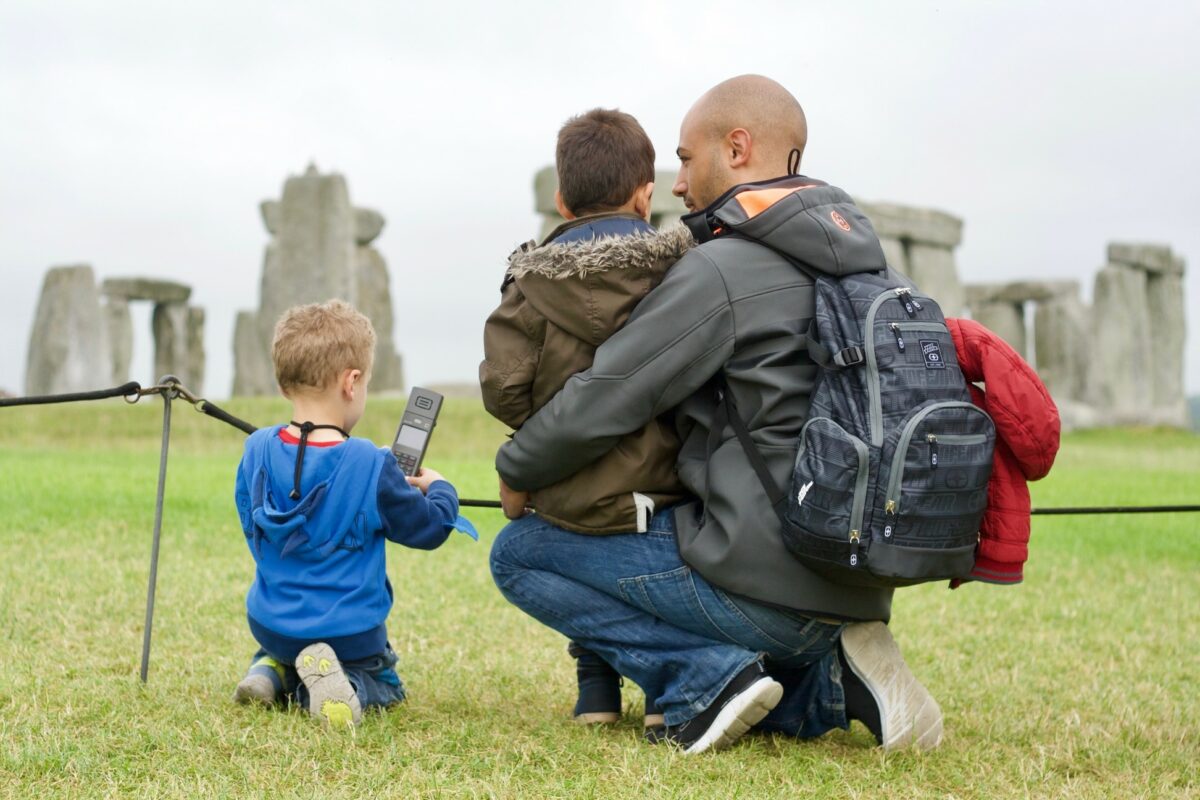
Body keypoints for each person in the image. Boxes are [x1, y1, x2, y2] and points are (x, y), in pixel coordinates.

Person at [489, 75, 943, 754]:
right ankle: (830, 683)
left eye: (683, 157)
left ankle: (702, 681)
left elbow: (607, 397)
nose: (674, 183)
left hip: (762, 584)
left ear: (736, 148)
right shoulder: (868, 266)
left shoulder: (723, 269)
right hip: (854, 578)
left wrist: (515, 467)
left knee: (519, 554)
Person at [480, 108, 693, 733]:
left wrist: (545, 425)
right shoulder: (681, 275)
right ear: (645, 193)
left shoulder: (529, 285)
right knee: (644, 580)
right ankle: (660, 697)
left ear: (561, 200)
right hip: (665, 491)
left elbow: (502, 387)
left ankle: (595, 690)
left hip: (563, 489)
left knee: (575, 566)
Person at [232, 299, 467, 727]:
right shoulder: (372, 465)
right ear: (351, 382)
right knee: (384, 678)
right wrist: (440, 489)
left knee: (285, 645)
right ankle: (346, 688)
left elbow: (251, 525)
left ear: (284, 384)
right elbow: (429, 529)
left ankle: (269, 670)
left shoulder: (256, 449)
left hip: (271, 623)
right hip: (350, 635)